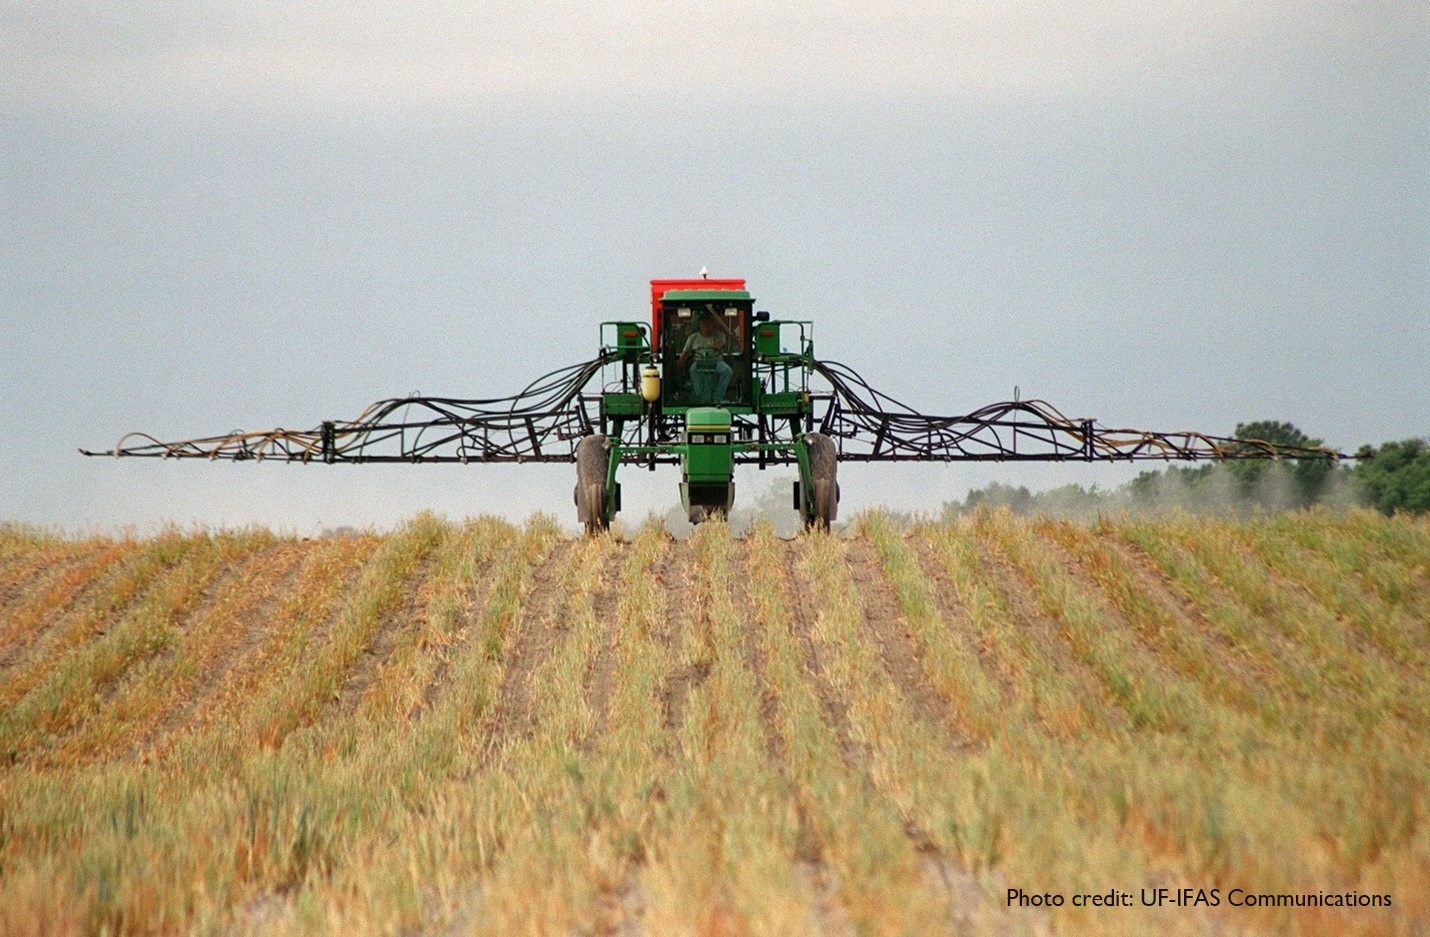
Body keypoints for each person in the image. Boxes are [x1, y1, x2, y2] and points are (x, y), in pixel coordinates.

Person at [676, 311, 733, 404]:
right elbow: (686, 352)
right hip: (698, 364)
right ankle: (698, 394)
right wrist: (680, 362)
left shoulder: (720, 336)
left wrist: (714, 347)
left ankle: (717, 397)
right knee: (692, 369)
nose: (706, 327)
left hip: (716, 363)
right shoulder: (693, 338)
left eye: (709, 324)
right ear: (699, 326)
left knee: (727, 371)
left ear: (713, 325)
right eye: (704, 324)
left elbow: (721, 344)